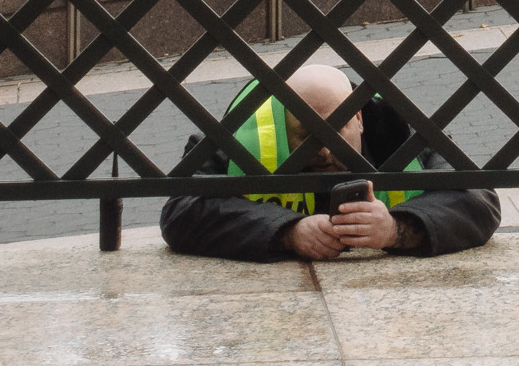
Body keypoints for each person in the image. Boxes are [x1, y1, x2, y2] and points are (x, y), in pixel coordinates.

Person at [161, 62, 499, 262]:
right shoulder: (241, 135)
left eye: (336, 130)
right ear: (281, 123)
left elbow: (479, 197)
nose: (322, 151)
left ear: (360, 118)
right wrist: (287, 232)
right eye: (304, 136)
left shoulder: (401, 130)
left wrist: (397, 230)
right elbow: (181, 210)